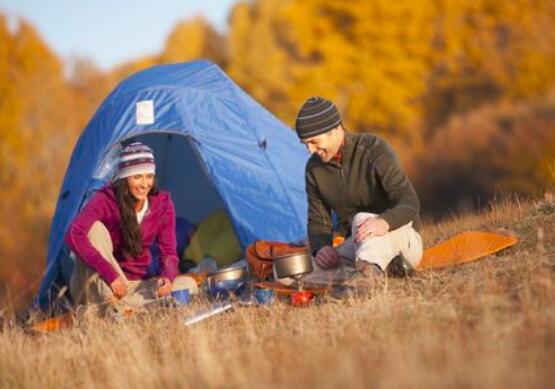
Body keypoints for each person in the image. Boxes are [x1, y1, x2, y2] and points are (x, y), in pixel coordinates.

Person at [294, 97, 423, 288]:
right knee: (299, 271)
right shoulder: (313, 169)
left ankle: (369, 277)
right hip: (357, 244)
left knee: (360, 219)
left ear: (335, 129)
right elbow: (318, 219)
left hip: (401, 235)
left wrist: (385, 222)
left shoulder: (374, 149)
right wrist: (321, 248)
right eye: (305, 143)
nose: (310, 150)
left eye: (314, 142)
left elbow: (409, 200)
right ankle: (367, 275)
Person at [65, 142, 193, 317]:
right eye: (137, 177)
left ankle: (112, 310)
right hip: (98, 280)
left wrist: (167, 276)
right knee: (94, 229)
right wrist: (110, 273)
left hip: (132, 285)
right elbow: (73, 234)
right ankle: (112, 308)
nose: (144, 184)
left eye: (149, 176)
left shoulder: (162, 204)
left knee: (188, 286)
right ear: (125, 177)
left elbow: (169, 252)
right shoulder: (106, 199)